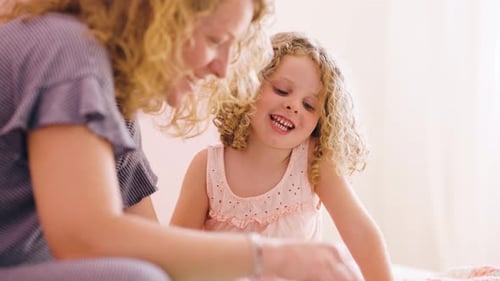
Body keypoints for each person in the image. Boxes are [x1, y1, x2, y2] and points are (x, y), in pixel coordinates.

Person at [0, 1, 363, 280]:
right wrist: (271, 255)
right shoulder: (67, 50)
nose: (222, 68)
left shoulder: (117, 109)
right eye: (214, 40)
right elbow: (85, 237)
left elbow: (148, 244)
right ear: (162, 16)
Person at [170, 31, 394, 281]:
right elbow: (176, 252)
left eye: (309, 105)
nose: (294, 106)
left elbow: (361, 234)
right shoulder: (207, 167)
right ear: (251, 85)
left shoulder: (313, 161)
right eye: (282, 90)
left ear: (321, 122)